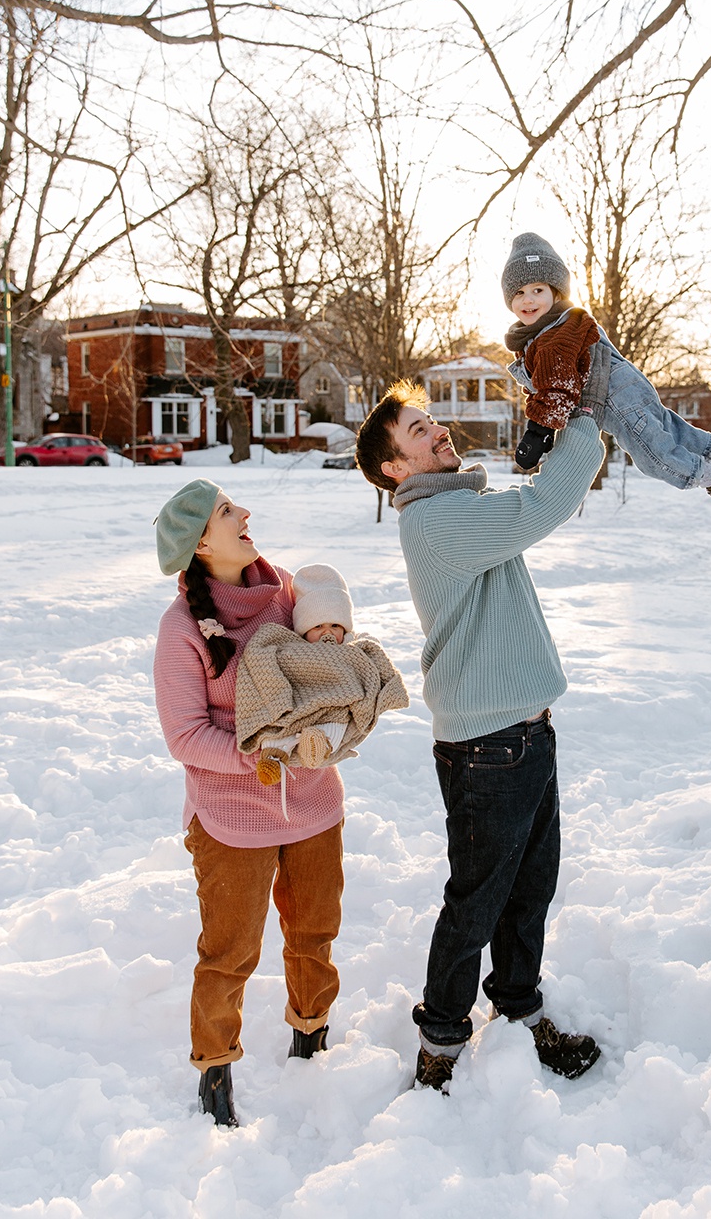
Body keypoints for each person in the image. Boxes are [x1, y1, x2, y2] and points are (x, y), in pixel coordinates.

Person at [355, 382, 605, 1093]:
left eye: (431, 420)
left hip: (524, 734)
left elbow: (522, 502)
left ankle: (519, 1011)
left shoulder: (455, 505)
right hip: (490, 747)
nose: (436, 432)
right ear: (393, 469)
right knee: (477, 901)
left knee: (529, 890)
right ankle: (440, 1044)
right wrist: (581, 420)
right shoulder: (438, 521)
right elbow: (544, 504)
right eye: (416, 431)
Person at [152, 480, 345, 1128]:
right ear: (201, 542)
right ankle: (214, 1068)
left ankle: (311, 1032)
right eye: (228, 511)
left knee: (314, 930)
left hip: (313, 803)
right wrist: (259, 758)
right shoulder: (182, 629)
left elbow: (323, 672)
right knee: (230, 950)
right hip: (231, 817)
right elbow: (185, 736)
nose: (246, 514)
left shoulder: (285, 590)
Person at [502, 231, 711, 534]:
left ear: (557, 292)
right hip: (629, 385)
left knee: (656, 457)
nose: (529, 299)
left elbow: (557, 387)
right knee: (669, 428)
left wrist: (537, 433)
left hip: (616, 399)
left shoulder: (553, 335)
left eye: (538, 289)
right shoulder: (568, 321)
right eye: (519, 293)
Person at [235, 562, 409, 799]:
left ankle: (317, 746)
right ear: (304, 629)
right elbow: (268, 664)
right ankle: (273, 758)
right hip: (299, 709)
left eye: (335, 625)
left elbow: (372, 659)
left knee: (335, 727)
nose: (328, 632)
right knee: (278, 729)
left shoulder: (352, 647)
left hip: (335, 711)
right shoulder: (294, 649)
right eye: (318, 626)